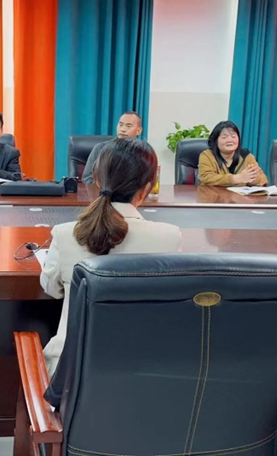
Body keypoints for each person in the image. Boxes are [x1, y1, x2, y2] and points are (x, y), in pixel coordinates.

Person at [40, 138, 182, 382]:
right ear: (148, 187)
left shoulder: (66, 234)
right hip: (146, 379)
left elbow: (51, 289)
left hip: (71, 382)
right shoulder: (170, 237)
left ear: (96, 179)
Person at [198, 120, 268, 186]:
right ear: (215, 140)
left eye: (233, 136)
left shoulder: (246, 156)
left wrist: (254, 179)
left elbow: (263, 180)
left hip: (239, 195)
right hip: (213, 194)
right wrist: (235, 179)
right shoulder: (207, 155)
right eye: (224, 137)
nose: (230, 140)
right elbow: (206, 178)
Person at [81, 111, 143, 184]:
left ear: (138, 131)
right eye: (120, 125)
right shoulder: (100, 148)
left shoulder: (142, 152)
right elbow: (87, 179)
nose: (123, 129)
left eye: (128, 126)